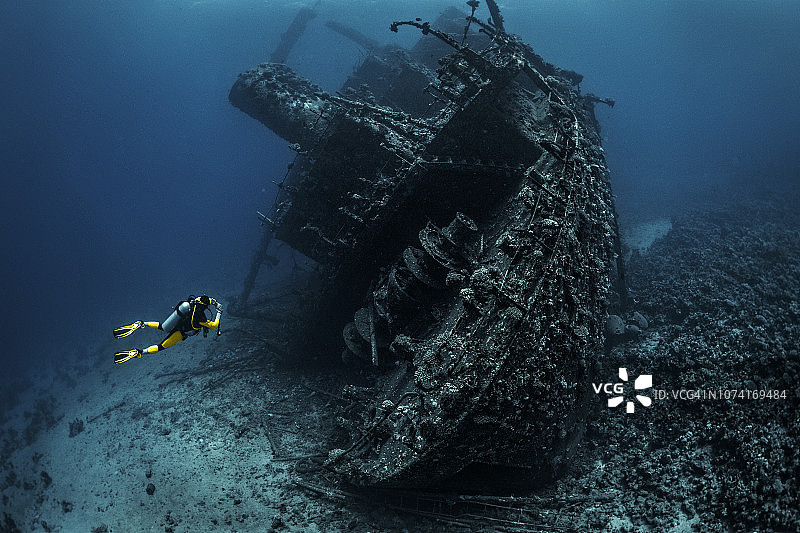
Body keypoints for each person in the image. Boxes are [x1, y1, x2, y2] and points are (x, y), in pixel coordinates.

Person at [113, 295, 222, 364]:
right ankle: (138, 352)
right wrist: (219, 313)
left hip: (178, 321)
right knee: (161, 346)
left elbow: (206, 299)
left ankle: (142, 323)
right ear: (205, 306)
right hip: (181, 333)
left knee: (162, 327)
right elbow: (214, 325)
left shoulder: (194, 302)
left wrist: (214, 303)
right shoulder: (200, 318)